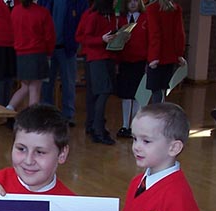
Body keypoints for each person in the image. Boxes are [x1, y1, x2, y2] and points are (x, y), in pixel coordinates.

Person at [75, 0, 120, 145]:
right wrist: (102, 39)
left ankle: (93, 125)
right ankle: (98, 129)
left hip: (107, 57)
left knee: (96, 93)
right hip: (96, 57)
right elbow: (83, 37)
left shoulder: (110, 15)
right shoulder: (93, 15)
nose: (115, 3)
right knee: (103, 91)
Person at [39, 0, 88, 127]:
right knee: (46, 83)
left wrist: (76, 41)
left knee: (69, 83)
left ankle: (68, 115)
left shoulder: (78, 2)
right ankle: (47, 113)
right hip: (47, 48)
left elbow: (83, 20)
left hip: (67, 48)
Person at [7, 0, 56, 111]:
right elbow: (50, 36)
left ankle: (8, 109)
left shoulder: (15, 11)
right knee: (35, 88)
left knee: (24, 87)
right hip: (37, 54)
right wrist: (49, 53)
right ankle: (32, 120)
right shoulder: (42, 12)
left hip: (20, 54)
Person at [116, 0, 148, 138]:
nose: (133, 3)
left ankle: (135, 125)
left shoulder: (146, 18)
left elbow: (150, 39)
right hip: (125, 60)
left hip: (140, 61)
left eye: (136, 0)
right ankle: (125, 125)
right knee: (126, 94)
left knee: (137, 95)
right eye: (130, 1)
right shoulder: (121, 19)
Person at [145, 0, 186, 104]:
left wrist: (154, 56)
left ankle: (158, 116)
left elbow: (155, 33)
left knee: (155, 90)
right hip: (170, 56)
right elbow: (179, 33)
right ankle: (161, 114)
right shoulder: (176, 8)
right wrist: (179, 54)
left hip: (157, 56)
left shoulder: (152, 8)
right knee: (163, 88)